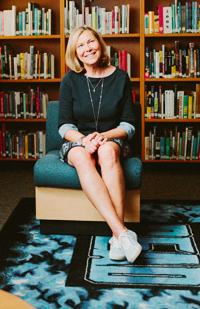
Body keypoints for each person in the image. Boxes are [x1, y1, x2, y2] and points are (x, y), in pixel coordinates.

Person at [58, 26, 141, 262]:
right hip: (77, 141)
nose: (87, 49)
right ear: (75, 53)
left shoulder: (121, 77)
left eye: (90, 42)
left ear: (99, 44)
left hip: (111, 138)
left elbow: (129, 124)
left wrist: (102, 136)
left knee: (106, 152)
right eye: (80, 45)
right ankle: (122, 233)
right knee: (82, 156)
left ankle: (116, 236)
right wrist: (84, 140)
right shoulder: (69, 80)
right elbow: (64, 126)